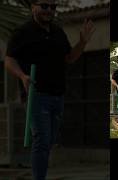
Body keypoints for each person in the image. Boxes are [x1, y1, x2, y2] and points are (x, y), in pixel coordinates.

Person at [4, 0, 95, 179]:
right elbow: (9, 61)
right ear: (33, 7)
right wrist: (23, 76)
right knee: (42, 141)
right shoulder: (23, 32)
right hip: (36, 95)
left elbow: (69, 57)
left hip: (57, 95)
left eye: (53, 7)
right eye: (44, 6)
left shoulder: (57, 32)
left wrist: (82, 42)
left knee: (50, 141)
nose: (49, 10)